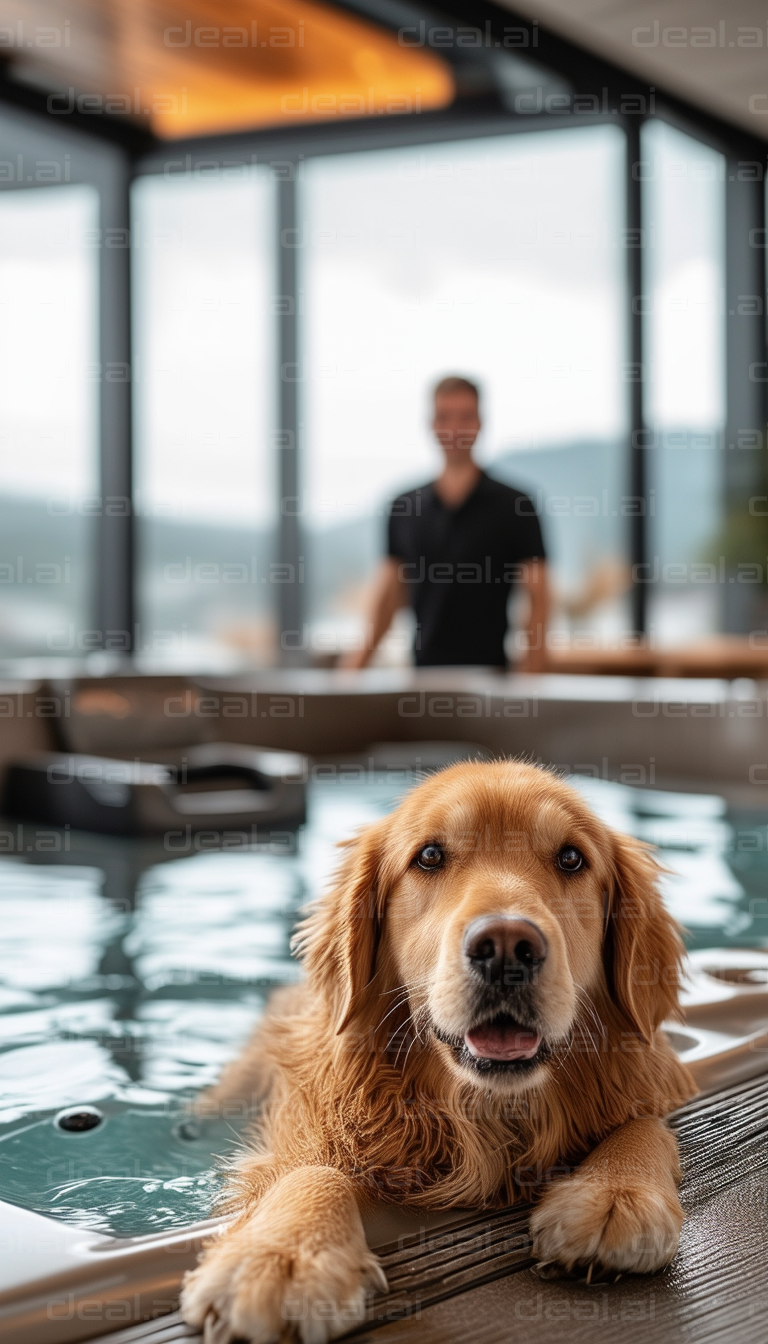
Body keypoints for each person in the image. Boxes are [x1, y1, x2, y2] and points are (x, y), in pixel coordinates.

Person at [341, 376, 549, 671]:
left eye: (465, 417)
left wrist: (532, 677)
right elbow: (386, 599)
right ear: (432, 424)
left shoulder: (516, 506)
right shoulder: (404, 507)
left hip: (491, 676)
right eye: (444, 417)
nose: (454, 429)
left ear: (480, 423)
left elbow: (539, 599)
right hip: (422, 677)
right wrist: (350, 672)